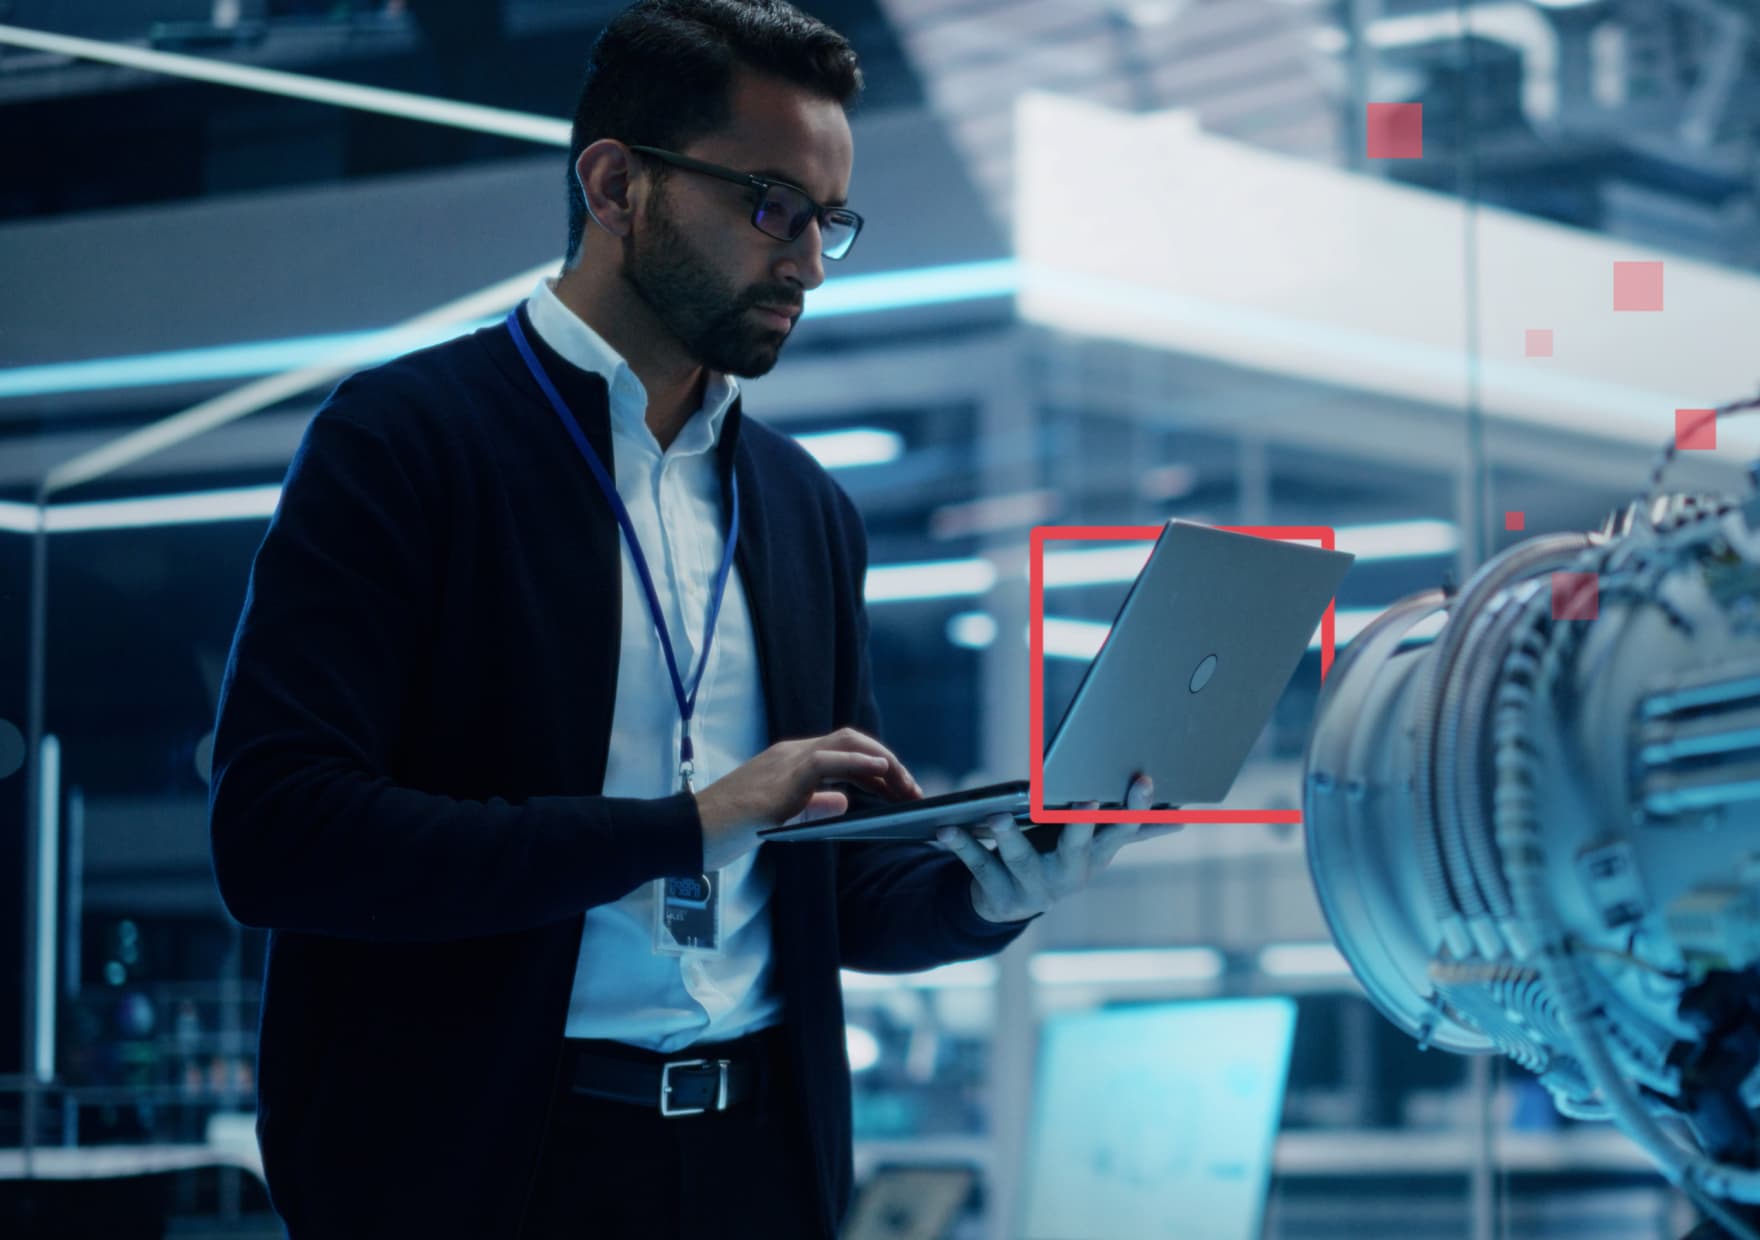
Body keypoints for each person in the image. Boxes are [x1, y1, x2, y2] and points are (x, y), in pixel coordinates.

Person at [207, 1, 1170, 1235]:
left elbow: (834, 893)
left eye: (829, 221)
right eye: (771, 205)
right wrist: (683, 825)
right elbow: (279, 835)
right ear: (617, 186)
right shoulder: (403, 443)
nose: (809, 263)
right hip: (485, 1170)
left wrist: (994, 888)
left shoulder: (804, 508)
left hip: (757, 1166)